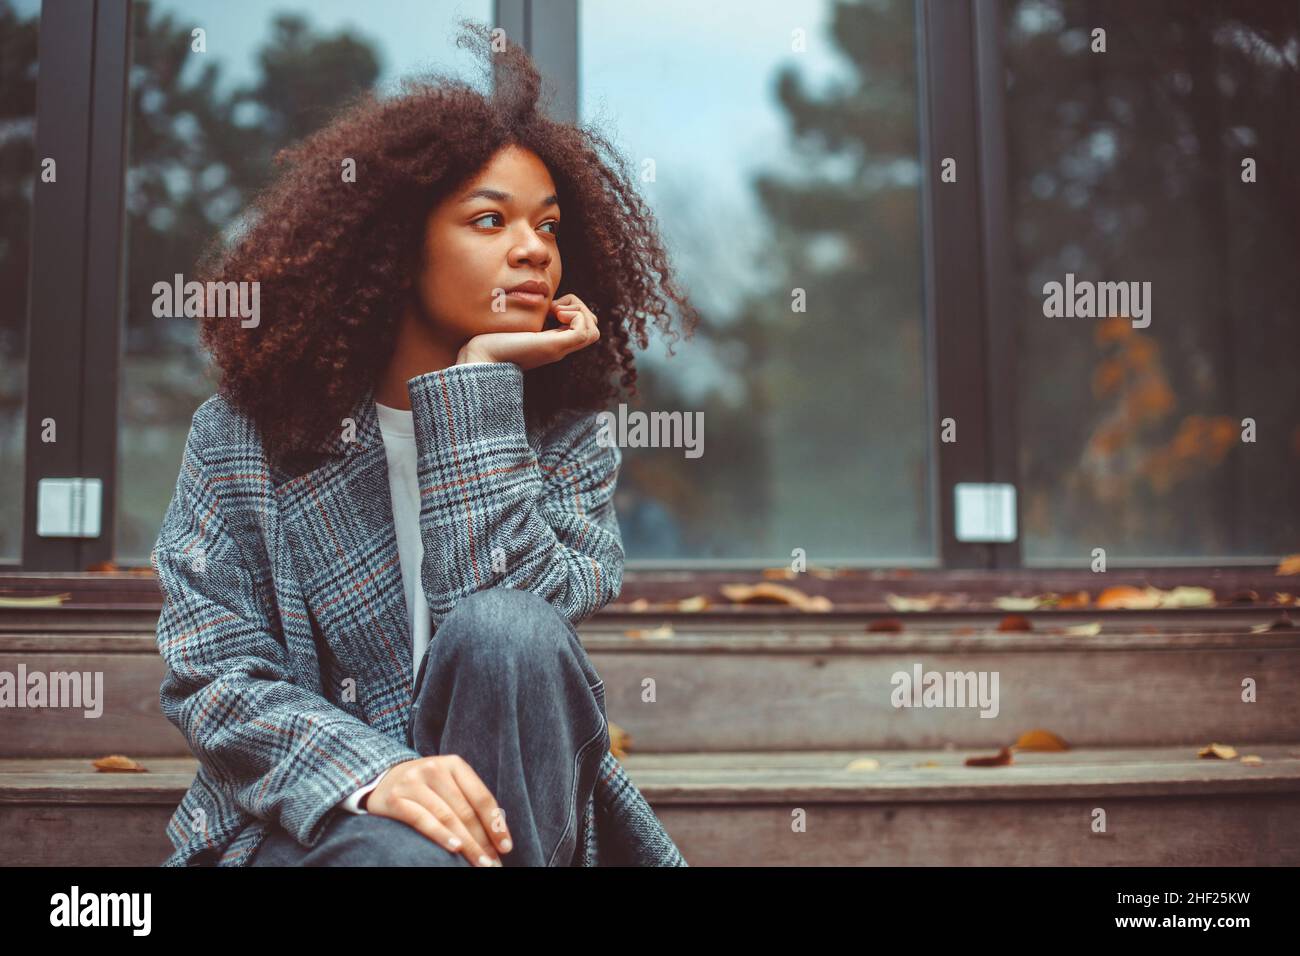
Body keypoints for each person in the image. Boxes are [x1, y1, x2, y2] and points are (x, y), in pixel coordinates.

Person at [151, 19, 698, 867]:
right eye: (490, 221)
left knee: (507, 631)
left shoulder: (564, 440)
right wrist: (379, 775)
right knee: (403, 858)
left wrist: (479, 384)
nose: (533, 252)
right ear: (400, 251)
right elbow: (213, 674)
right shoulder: (246, 440)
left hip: (520, 823)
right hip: (314, 817)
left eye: (549, 228)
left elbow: (523, 646)